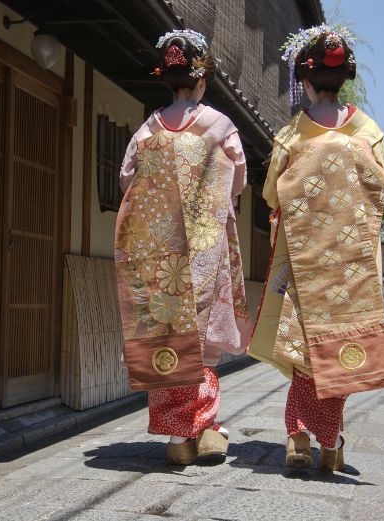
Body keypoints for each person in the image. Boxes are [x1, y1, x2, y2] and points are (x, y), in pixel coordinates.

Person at [248, 25, 384, 473]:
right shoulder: (369, 131)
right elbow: (380, 194)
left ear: (306, 80)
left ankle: (298, 436)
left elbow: (271, 194)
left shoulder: (293, 134)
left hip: (304, 260)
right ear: (345, 77)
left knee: (304, 349)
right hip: (351, 264)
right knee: (340, 353)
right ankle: (330, 443)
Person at [114, 29, 250, 466]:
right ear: (202, 80)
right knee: (204, 339)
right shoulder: (220, 127)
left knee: (166, 335)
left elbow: (127, 180)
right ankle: (204, 428)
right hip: (205, 246)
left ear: (167, 79)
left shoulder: (147, 130)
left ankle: (177, 437)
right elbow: (239, 178)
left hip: (159, 251)